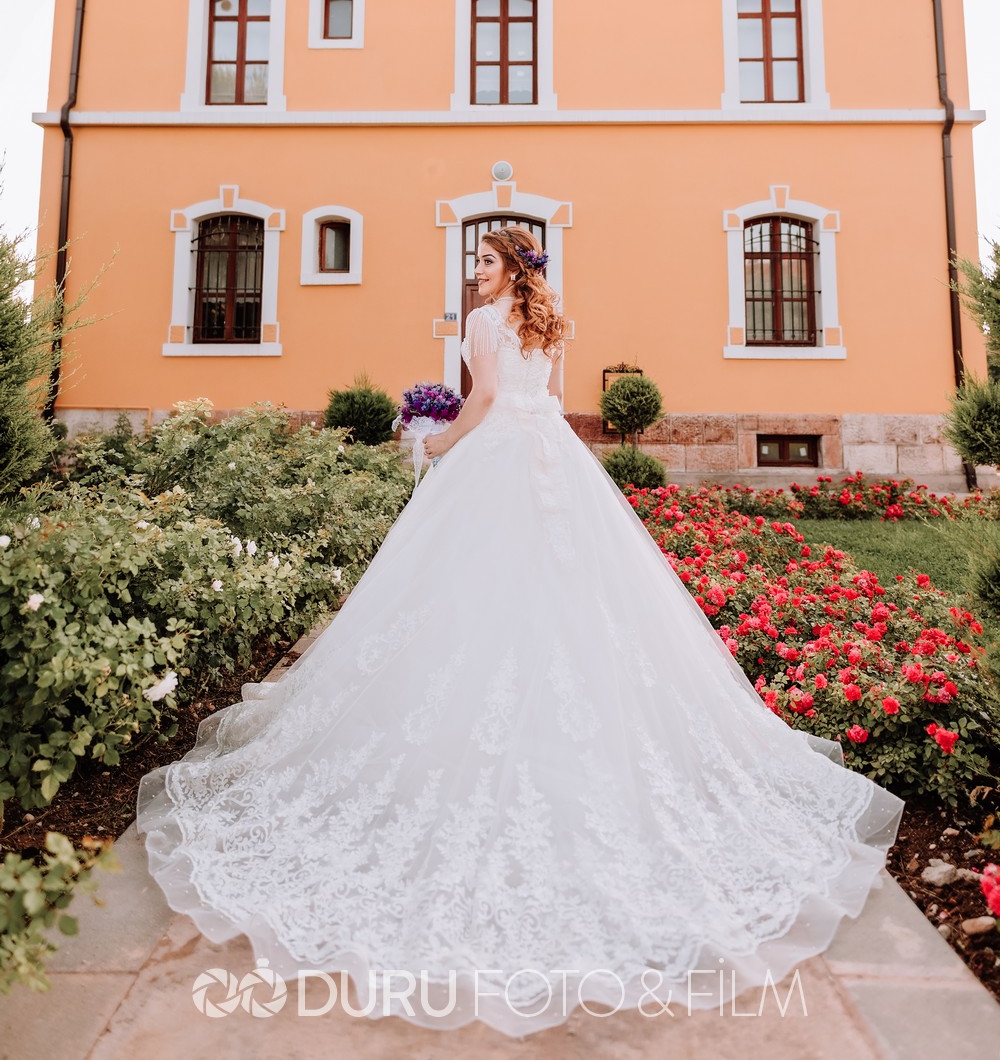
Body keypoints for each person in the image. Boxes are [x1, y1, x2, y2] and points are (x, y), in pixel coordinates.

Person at [137, 225, 905, 1037]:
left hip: (499, 457)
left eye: (486, 261)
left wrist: (437, 442)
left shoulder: (478, 324)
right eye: (474, 260)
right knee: (570, 592)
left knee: (466, 587)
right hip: (553, 459)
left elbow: (484, 403)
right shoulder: (550, 320)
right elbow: (545, 400)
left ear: (511, 270)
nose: (475, 272)